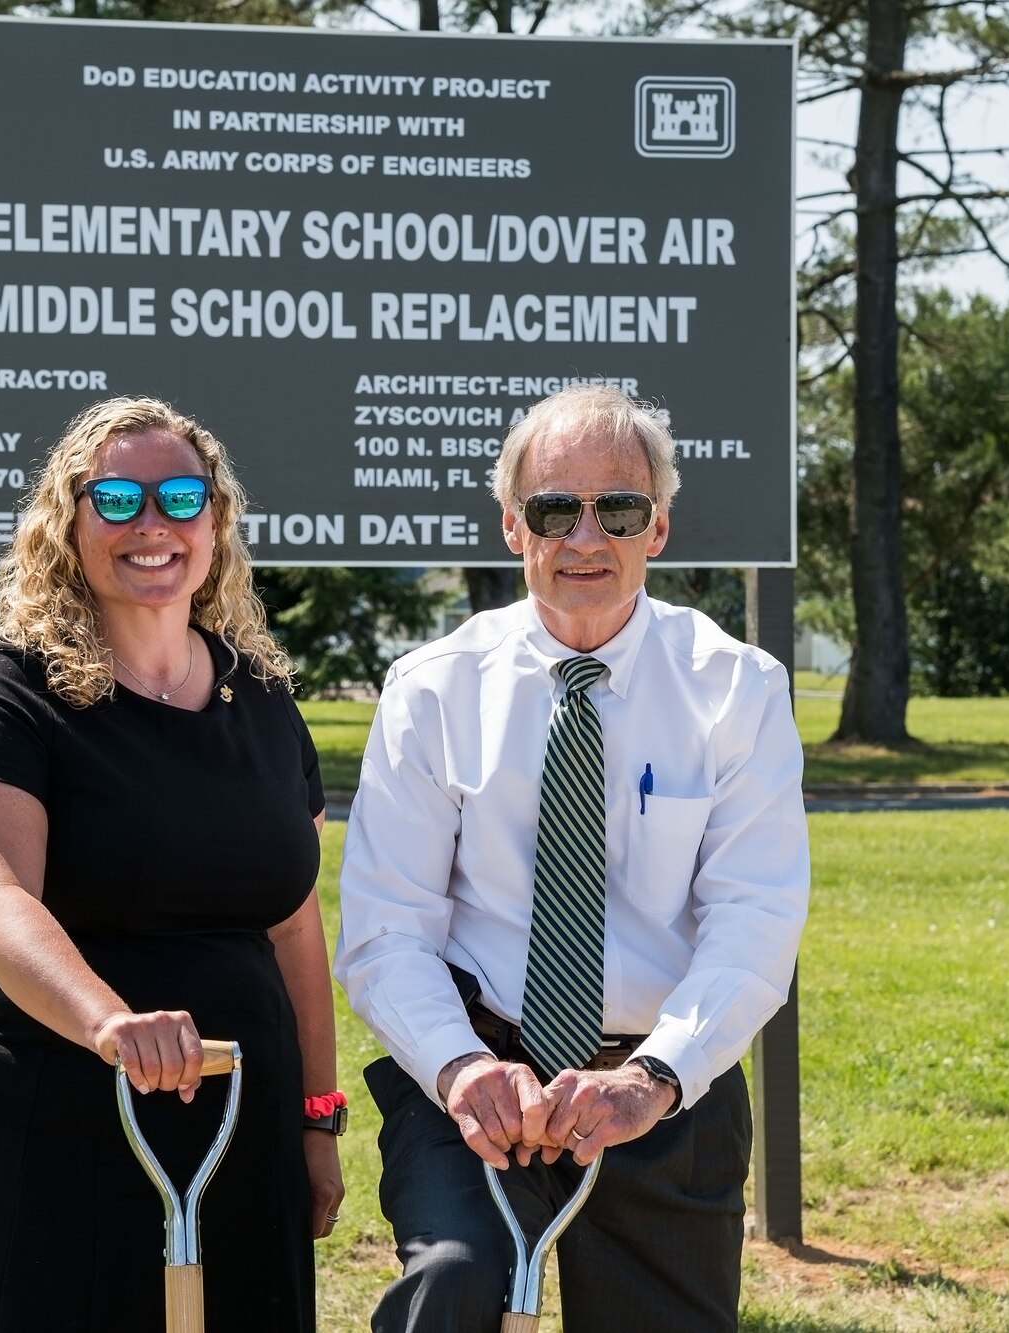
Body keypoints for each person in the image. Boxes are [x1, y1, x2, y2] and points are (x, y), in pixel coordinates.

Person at [334, 384, 809, 1333]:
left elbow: (755, 920)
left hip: (663, 1087)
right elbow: (388, 930)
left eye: (618, 509)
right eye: (555, 509)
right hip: (479, 1080)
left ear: (659, 528)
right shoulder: (430, 692)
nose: (586, 538)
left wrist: (656, 1077)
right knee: (455, 1289)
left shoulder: (737, 690)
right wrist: (464, 1070)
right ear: (514, 527)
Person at [0, 397, 344, 1331]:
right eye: (119, 498)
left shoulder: (261, 700)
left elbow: (293, 923)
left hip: (233, 1129)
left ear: (215, 519)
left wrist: (316, 1117)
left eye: (180, 495)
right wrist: (112, 1024)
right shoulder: (7, 688)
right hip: (44, 1122)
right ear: (70, 521)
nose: (152, 524)